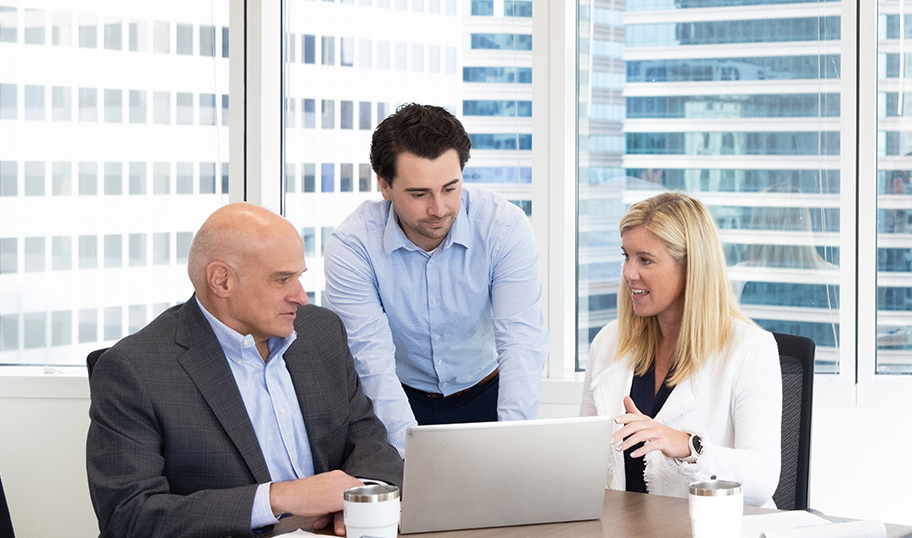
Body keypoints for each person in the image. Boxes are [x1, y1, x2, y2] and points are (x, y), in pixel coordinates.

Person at [86, 203, 403, 538]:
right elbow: (128, 516)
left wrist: (360, 500)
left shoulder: (321, 333)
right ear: (222, 280)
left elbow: (368, 439)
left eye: (299, 276)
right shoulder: (134, 370)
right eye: (282, 279)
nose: (301, 297)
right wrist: (279, 497)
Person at [325, 103, 546, 456]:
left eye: (450, 188)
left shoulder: (504, 228)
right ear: (385, 186)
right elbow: (371, 360)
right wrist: (410, 457)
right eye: (419, 194)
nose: (439, 208)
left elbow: (521, 340)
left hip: (486, 390)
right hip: (397, 396)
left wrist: (514, 445)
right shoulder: (353, 245)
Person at [579, 192, 783, 508]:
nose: (629, 273)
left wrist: (687, 446)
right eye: (626, 256)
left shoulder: (750, 350)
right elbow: (586, 463)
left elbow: (762, 481)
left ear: (691, 267)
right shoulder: (609, 342)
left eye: (645, 259)